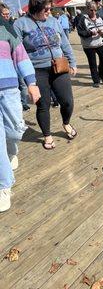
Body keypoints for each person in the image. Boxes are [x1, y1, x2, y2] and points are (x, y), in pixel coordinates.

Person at [14, 0, 77, 150]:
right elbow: (17, 52)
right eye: (46, 9)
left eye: (50, 9)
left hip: (59, 66)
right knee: (44, 105)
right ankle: (47, 135)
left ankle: (66, 123)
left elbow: (64, 43)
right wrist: (24, 80)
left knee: (67, 101)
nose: (50, 12)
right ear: (36, 8)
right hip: (36, 70)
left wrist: (72, 61)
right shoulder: (20, 24)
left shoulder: (54, 21)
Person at [0, 17, 41, 212]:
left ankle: (12, 150)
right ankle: (4, 186)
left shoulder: (6, 28)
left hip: (9, 90)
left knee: (14, 132)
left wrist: (31, 83)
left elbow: (21, 56)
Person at [0, 3, 31, 110]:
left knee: (22, 83)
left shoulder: (12, 24)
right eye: (4, 14)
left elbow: (19, 45)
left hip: (17, 59)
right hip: (7, 66)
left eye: (8, 14)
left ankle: (23, 102)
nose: (6, 16)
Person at [77, 0, 103, 87]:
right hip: (88, 45)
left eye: (95, 10)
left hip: (99, 42)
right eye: (91, 10)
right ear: (87, 9)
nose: (93, 12)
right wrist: (90, 33)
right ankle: (96, 81)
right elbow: (80, 32)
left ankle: (102, 75)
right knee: (92, 63)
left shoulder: (100, 18)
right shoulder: (83, 19)